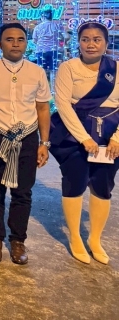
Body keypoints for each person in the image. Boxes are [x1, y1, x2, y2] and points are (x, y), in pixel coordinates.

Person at [0, 22, 51, 265]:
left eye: (20, 39)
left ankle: (18, 241)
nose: (15, 44)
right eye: (9, 39)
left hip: (27, 139)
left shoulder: (37, 72)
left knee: (23, 192)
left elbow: (42, 108)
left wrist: (44, 143)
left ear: (27, 43)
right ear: (0, 43)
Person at [50, 21, 119, 265]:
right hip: (74, 135)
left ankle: (95, 239)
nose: (91, 44)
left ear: (106, 43)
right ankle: (75, 237)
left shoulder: (116, 69)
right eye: (85, 39)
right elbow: (63, 104)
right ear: (78, 43)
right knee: (74, 182)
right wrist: (84, 138)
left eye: (97, 39)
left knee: (103, 186)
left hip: (109, 136)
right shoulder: (68, 67)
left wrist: (117, 137)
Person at [33, 9, 60, 78]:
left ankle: (43, 84)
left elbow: (34, 40)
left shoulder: (38, 27)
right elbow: (64, 36)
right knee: (53, 71)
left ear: (43, 17)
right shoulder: (56, 26)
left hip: (41, 50)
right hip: (53, 50)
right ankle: (52, 85)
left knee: (41, 71)